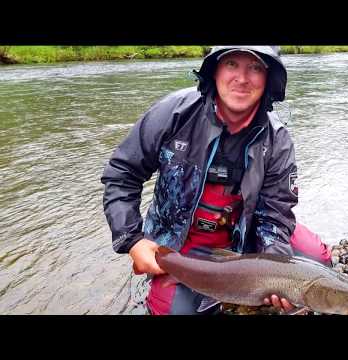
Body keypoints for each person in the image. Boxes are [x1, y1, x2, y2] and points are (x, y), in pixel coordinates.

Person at [101, 46, 331, 315]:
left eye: (255, 67)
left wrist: (276, 273)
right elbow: (121, 175)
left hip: (249, 238)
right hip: (181, 243)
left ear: (269, 78)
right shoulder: (173, 114)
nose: (242, 78)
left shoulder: (277, 139)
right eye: (232, 64)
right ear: (215, 70)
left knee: (318, 260)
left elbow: (275, 214)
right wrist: (132, 240)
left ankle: (247, 289)